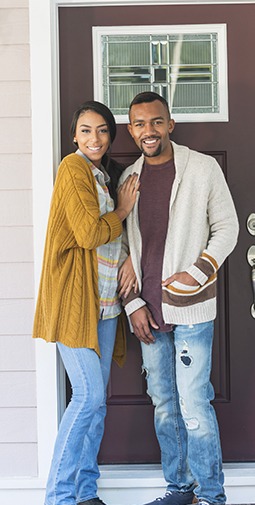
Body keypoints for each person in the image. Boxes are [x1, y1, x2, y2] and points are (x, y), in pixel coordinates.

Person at [118, 91, 239, 505]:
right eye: (139, 124)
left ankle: (211, 495)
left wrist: (197, 272)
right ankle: (179, 488)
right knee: (165, 405)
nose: (148, 131)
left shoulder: (201, 169)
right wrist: (132, 304)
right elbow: (121, 249)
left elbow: (227, 227)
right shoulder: (128, 179)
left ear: (170, 124)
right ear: (130, 129)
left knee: (193, 404)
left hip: (190, 307)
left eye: (156, 122)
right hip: (147, 311)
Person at [32, 100, 139, 505]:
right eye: (86, 130)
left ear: (110, 136)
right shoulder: (72, 168)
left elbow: (109, 240)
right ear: (73, 135)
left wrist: (128, 255)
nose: (95, 138)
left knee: (97, 405)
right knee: (89, 397)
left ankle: (85, 491)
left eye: (103, 131)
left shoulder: (99, 175)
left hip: (107, 302)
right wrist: (125, 208)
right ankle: (58, 497)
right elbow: (89, 233)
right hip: (75, 302)